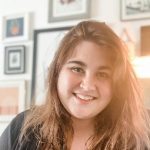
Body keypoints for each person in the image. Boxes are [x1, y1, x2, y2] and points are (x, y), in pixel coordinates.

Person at [0, 20, 150, 150]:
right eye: (77, 69)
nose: (88, 85)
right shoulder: (22, 128)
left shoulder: (143, 133)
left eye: (102, 74)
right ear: (57, 72)